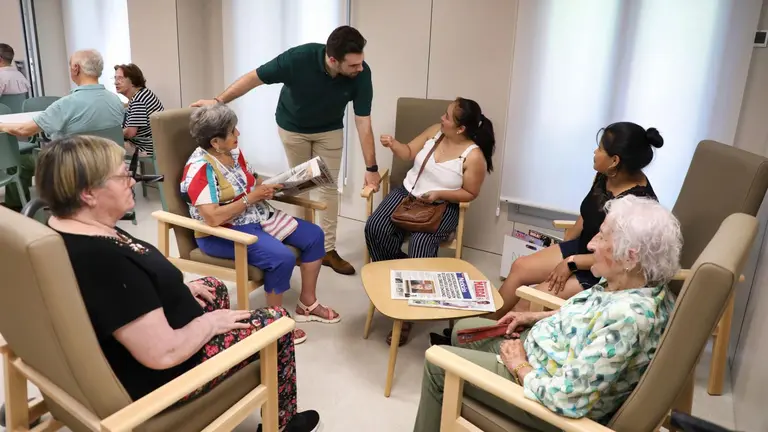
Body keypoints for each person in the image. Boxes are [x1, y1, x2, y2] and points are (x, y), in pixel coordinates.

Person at [36, 135, 321, 432]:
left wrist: (176, 291)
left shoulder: (66, 232)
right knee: (276, 322)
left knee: (213, 288)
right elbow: (163, 354)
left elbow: (122, 300)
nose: (132, 182)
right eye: (123, 176)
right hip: (168, 376)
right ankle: (283, 423)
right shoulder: (105, 262)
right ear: (88, 194)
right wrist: (209, 324)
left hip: (148, 339)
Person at [414, 195, 682, 432]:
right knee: (464, 330)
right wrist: (533, 317)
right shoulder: (632, 282)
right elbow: (587, 316)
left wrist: (519, 365)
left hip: (545, 397)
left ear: (631, 256)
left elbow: (566, 399)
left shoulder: (627, 320)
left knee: (438, 363)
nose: (590, 245)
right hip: (548, 354)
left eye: (602, 237)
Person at [191, 25, 379, 276]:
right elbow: (254, 77)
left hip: (330, 129)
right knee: (302, 183)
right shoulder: (298, 59)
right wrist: (217, 102)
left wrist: (372, 168)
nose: (360, 69)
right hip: (293, 127)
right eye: (353, 65)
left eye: (360, 63)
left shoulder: (361, 73)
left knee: (328, 186)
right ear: (333, 60)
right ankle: (306, 244)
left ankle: (328, 249)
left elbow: (363, 121)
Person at [181, 103, 340, 345]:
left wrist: (276, 185)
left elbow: (250, 181)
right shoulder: (199, 169)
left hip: (255, 216)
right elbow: (212, 217)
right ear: (215, 142)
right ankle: (274, 322)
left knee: (314, 236)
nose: (238, 135)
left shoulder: (233, 153)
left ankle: (307, 304)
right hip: (222, 233)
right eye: (233, 131)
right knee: (282, 257)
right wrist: (250, 198)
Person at [489, 122, 662, 320]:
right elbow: (588, 213)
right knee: (520, 266)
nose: (595, 151)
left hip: (603, 270)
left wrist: (570, 263)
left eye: (600, 149)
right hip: (582, 249)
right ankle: (481, 325)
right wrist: (564, 247)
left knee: (527, 301)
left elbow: (619, 258)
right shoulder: (606, 175)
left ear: (614, 160)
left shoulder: (637, 205)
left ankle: (489, 339)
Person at [365, 97, 495, 346]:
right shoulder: (436, 132)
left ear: (461, 128)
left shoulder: (473, 156)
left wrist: (440, 193)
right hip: (408, 194)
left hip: (441, 206)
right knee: (375, 227)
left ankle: (406, 317)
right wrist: (394, 145)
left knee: (422, 244)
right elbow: (409, 151)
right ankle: (399, 278)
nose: (441, 119)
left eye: (447, 116)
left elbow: (470, 193)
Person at [0, 49, 123, 210]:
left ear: (76, 68)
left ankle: (17, 207)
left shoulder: (66, 104)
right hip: (107, 163)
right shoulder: (115, 100)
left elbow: (24, 130)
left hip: (71, 165)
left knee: (21, 163)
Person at [114, 63, 164, 156]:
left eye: (120, 78)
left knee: (105, 146)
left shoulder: (138, 101)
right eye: (115, 78)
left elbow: (130, 133)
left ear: (132, 81)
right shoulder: (144, 93)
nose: (116, 82)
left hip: (145, 147)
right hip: (154, 144)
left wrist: (114, 133)